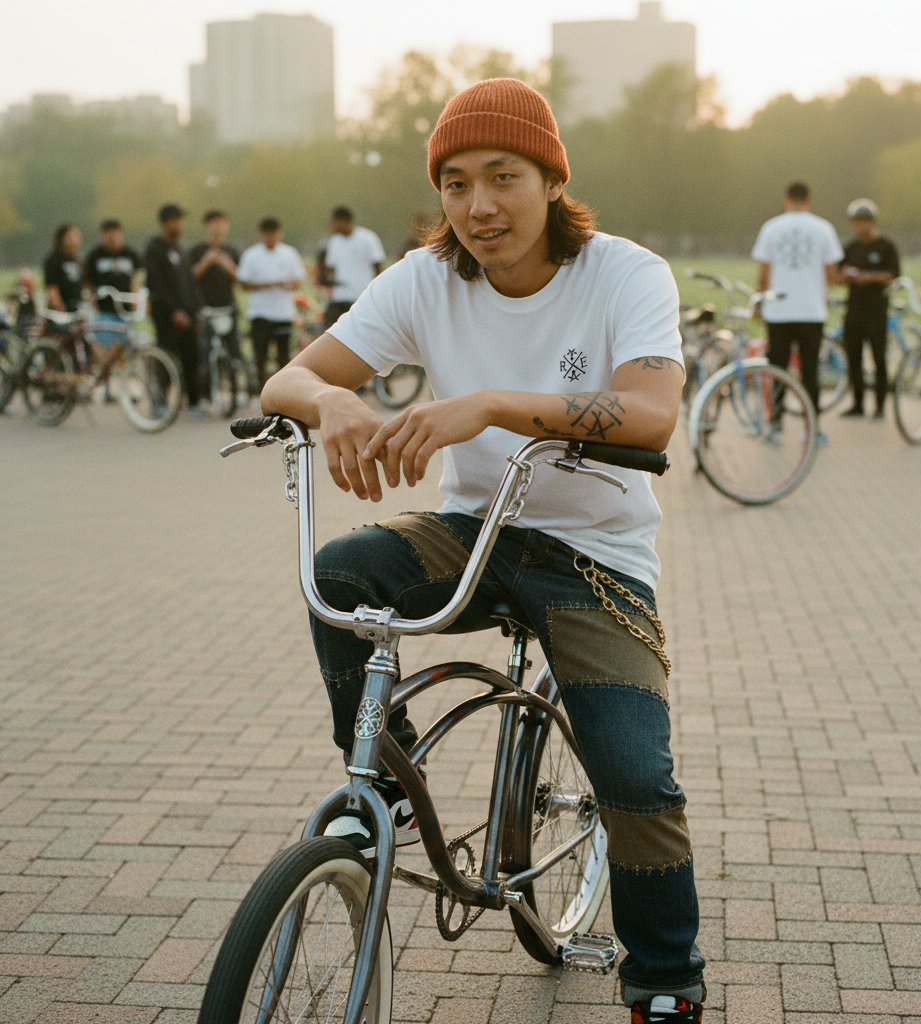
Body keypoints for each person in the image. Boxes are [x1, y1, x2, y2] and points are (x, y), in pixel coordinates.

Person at [261, 78, 705, 1023]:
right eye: (456, 184)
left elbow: (651, 411)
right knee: (339, 572)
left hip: (596, 556)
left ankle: (665, 981)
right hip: (477, 533)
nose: (479, 207)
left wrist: (492, 403)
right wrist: (334, 400)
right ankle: (378, 768)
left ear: (551, 180)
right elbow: (286, 378)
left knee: (634, 776)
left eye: (503, 177)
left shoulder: (626, 274)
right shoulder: (426, 277)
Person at [752, 182, 844, 445]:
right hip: (811, 310)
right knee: (810, 371)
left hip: (779, 310)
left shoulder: (771, 227)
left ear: (785, 200)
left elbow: (763, 272)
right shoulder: (823, 228)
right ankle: (812, 428)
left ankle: (776, 426)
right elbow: (832, 274)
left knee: (778, 369)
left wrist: (761, 304)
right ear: (809, 200)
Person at [838, 199, 900, 418]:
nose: (860, 226)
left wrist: (867, 277)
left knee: (878, 358)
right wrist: (846, 276)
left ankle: (881, 404)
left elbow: (892, 275)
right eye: (856, 222)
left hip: (876, 309)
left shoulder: (885, 246)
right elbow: (838, 274)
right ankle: (857, 403)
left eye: (864, 222)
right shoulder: (850, 248)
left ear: (872, 222)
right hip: (854, 308)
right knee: (853, 357)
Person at [143, 203, 203, 416]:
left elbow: (190, 283)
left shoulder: (180, 249)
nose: (180, 225)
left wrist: (196, 311)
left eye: (181, 220)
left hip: (188, 315)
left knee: (191, 358)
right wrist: (173, 311)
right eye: (176, 220)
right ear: (166, 223)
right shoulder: (154, 250)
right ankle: (159, 403)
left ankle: (194, 404)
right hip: (166, 317)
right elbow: (156, 285)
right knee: (165, 360)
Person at [236, 217, 305, 388]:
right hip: (260, 313)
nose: (271, 238)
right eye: (268, 235)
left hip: (283, 312)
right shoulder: (252, 255)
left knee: (284, 356)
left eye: (274, 234)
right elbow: (243, 283)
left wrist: (285, 283)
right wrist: (264, 285)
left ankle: (286, 389)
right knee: (261, 356)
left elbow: (298, 280)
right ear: (262, 235)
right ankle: (262, 388)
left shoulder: (289, 253)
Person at [84, 218, 141, 400]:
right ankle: (108, 387)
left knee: (125, 350)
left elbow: (138, 275)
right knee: (106, 350)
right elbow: (87, 281)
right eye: (108, 232)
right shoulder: (95, 255)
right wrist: (90, 296)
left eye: (115, 232)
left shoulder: (130, 253)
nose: (112, 236)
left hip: (125, 309)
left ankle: (126, 386)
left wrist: (137, 295)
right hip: (104, 309)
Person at [189, 210, 242, 396]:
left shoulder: (232, 251)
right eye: (213, 223)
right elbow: (190, 277)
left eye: (221, 223)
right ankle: (207, 394)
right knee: (205, 354)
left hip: (228, 307)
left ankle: (236, 392)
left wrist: (226, 265)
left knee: (234, 352)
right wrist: (206, 261)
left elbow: (242, 280)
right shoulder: (197, 251)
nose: (217, 227)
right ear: (206, 227)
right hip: (205, 309)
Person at [316, 206, 385, 331]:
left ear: (344, 221)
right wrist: (329, 293)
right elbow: (332, 269)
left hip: (361, 295)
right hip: (340, 295)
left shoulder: (367, 238)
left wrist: (377, 292)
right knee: (332, 328)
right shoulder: (335, 241)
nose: (332, 226)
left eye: (334, 222)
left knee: (360, 330)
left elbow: (377, 266)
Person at [43, 224, 84, 314]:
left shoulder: (77, 260)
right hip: (60, 311)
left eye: (77, 236)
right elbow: (51, 287)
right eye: (70, 236)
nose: (74, 239)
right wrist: (60, 308)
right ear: (61, 238)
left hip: (78, 309)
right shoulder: (53, 260)